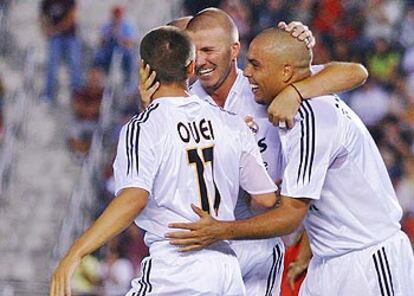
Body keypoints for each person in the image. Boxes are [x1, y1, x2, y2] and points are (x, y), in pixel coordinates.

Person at [166, 28, 414, 295]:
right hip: (327, 261)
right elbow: (320, 195)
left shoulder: (310, 117)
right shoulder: (294, 103)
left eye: (255, 65)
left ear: (285, 73)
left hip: (368, 262)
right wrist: (307, 250)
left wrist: (218, 231)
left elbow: (291, 215)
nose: (247, 72)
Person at [140, 8, 368, 295]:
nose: (200, 60)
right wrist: (149, 109)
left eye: (208, 49)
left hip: (259, 241)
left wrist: (294, 90)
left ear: (233, 49)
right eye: (193, 51)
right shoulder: (186, 103)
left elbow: (355, 72)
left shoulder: (263, 84)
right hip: (203, 246)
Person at [50, 25, 280, 296]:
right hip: (227, 271)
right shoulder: (230, 122)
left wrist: (76, 252)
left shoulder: (143, 127)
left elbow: (134, 197)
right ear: (191, 68)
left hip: (176, 270)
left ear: (145, 69)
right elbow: (265, 199)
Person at [40, 0, 82, 103]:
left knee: (74, 65)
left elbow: (71, 18)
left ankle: (76, 95)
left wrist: (54, 29)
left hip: (70, 36)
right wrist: (45, 29)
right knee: (51, 65)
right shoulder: (46, 2)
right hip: (55, 36)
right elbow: (42, 16)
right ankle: (49, 94)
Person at [94, 5, 137, 90]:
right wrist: (110, 34)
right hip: (109, 50)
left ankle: (128, 84)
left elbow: (131, 42)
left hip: (123, 51)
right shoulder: (107, 25)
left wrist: (120, 37)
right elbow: (101, 41)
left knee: (130, 57)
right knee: (98, 56)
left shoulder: (128, 26)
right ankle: (100, 78)